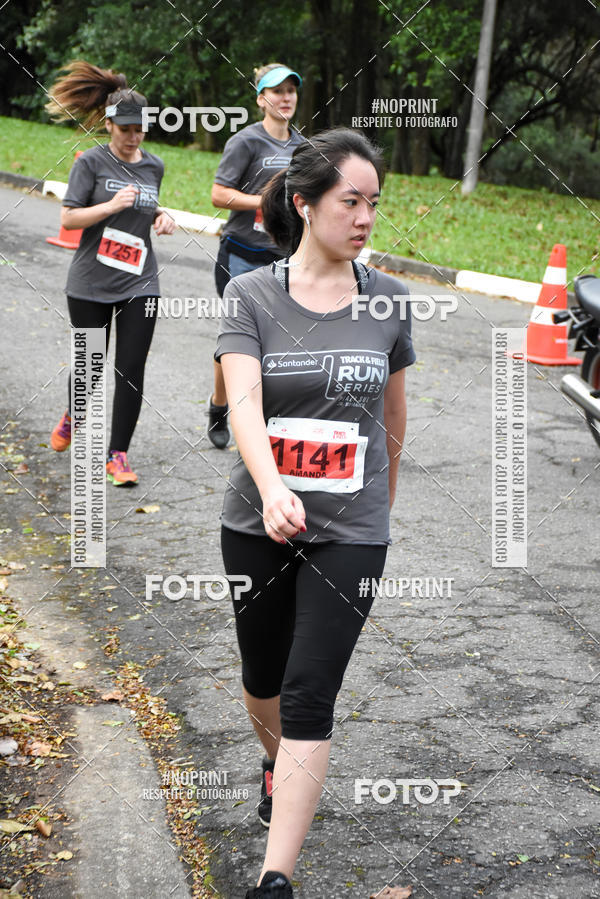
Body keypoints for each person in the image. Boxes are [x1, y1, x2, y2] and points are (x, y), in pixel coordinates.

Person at [215, 128, 416, 898]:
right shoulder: (251, 295)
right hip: (255, 518)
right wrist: (271, 489)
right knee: (262, 674)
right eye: (350, 200)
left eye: (374, 202)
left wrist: (376, 515)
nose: (365, 216)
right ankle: (275, 763)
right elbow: (242, 402)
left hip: (352, 533)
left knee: (308, 689)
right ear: (303, 203)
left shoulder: (390, 299)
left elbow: (394, 421)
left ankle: (276, 876)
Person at [47, 60, 175, 485]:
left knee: (131, 367)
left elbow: (145, 202)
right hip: (90, 282)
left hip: (140, 279)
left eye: (139, 129)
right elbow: (69, 219)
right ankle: (73, 413)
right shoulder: (90, 163)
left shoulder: (153, 165)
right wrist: (110, 207)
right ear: (108, 124)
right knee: (90, 365)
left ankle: (117, 455)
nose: (133, 137)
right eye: (125, 129)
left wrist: (161, 215)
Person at [207, 62, 304, 449]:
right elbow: (219, 194)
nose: (285, 98)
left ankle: (267, 417)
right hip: (241, 255)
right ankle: (219, 406)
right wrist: (265, 201)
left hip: (283, 257)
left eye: (291, 91)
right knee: (237, 341)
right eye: (277, 91)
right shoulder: (245, 142)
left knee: (278, 342)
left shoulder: (303, 147)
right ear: (261, 99)